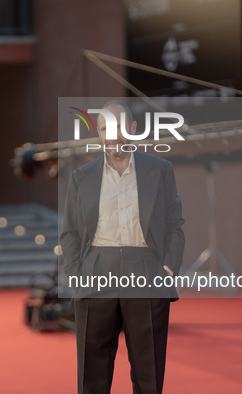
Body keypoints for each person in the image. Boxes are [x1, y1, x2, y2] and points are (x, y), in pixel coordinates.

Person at [60, 101, 185, 393]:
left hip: (145, 271)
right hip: (95, 272)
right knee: (92, 376)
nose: (112, 134)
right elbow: (70, 232)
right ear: (99, 133)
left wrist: (167, 269)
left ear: (132, 129)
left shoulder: (161, 170)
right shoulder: (81, 177)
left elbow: (174, 225)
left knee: (148, 373)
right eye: (105, 128)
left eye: (117, 127)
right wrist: (76, 273)